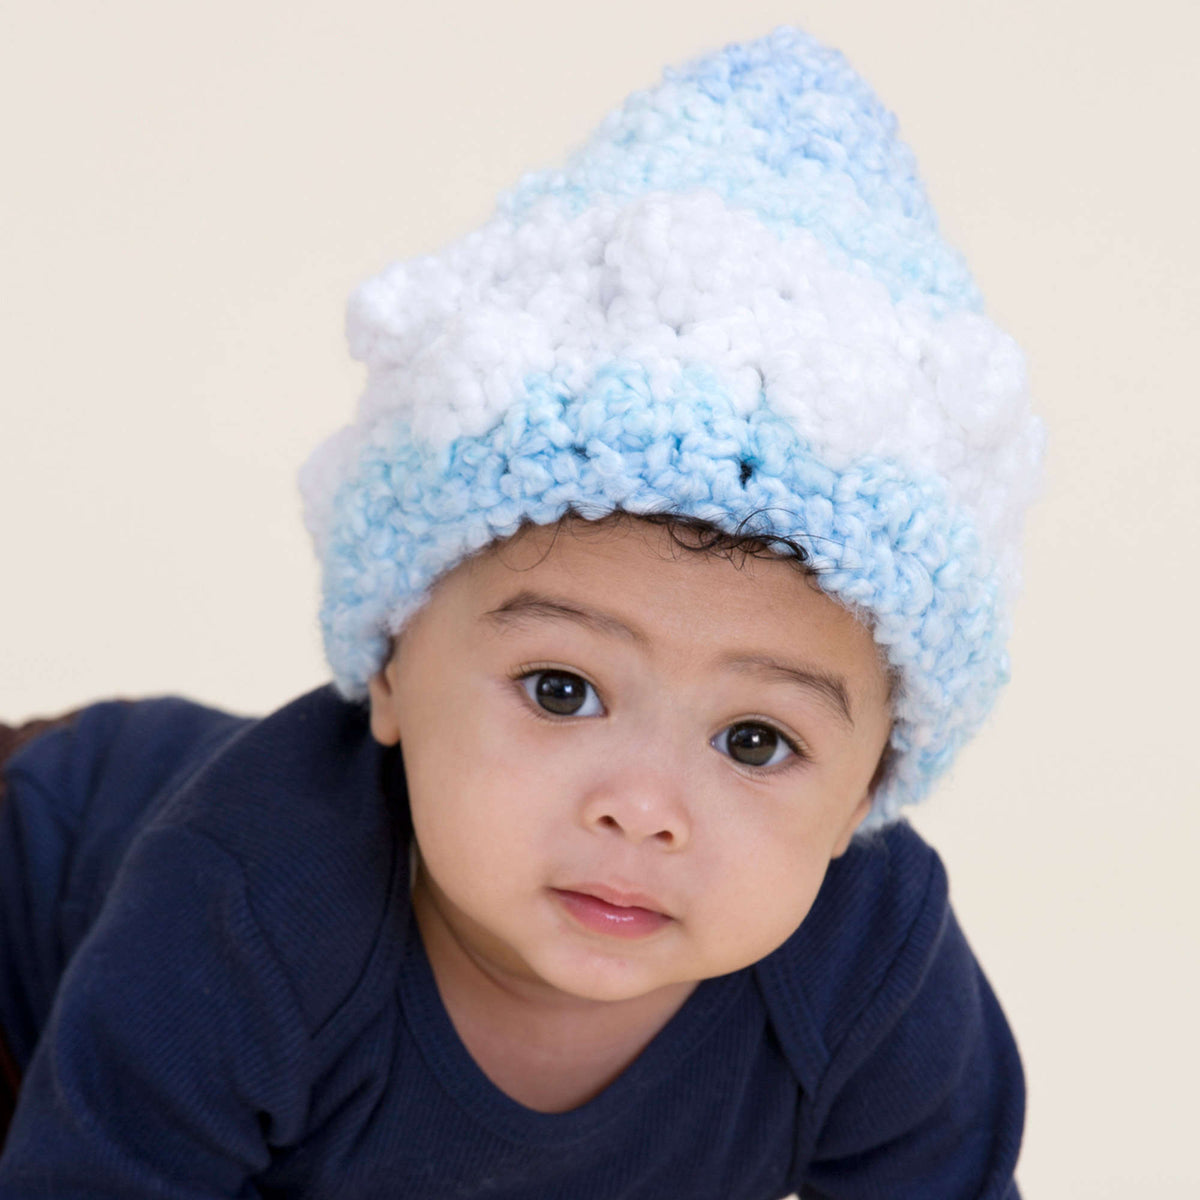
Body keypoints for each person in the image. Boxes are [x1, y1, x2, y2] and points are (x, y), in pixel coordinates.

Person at [0, 25, 1042, 1199]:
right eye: (563, 689)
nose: (641, 811)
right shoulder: (245, 908)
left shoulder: (870, 967)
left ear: (870, 789)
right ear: (391, 662)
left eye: (757, 741)